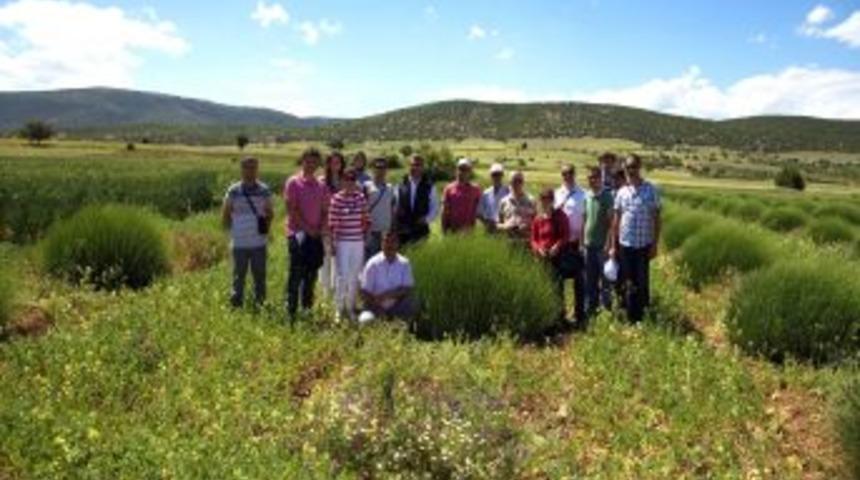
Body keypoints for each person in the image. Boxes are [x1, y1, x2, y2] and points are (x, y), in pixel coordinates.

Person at [608, 154, 662, 323]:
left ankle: (643, 315)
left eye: (634, 167)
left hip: (643, 244)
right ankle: (629, 315)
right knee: (626, 281)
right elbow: (616, 220)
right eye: (628, 167)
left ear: (639, 167)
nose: (631, 170)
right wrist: (613, 245)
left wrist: (654, 244)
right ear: (625, 169)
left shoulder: (650, 189)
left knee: (642, 282)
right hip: (625, 245)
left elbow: (657, 219)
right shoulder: (622, 192)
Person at [222, 157, 274, 308]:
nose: (250, 171)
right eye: (247, 167)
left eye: (253, 168)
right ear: (241, 169)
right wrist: (231, 232)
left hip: (259, 242)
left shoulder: (264, 190)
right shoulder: (233, 190)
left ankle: (261, 304)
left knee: (260, 277)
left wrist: (264, 228)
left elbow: (270, 213)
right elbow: (225, 213)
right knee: (238, 277)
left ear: (257, 169)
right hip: (239, 242)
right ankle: (236, 306)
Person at [284, 148, 327, 317]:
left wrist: (321, 228)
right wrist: (308, 229)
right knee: (296, 274)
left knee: (311, 275)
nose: (310, 165)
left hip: (315, 236)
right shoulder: (293, 182)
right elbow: (291, 209)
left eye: (314, 162)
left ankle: (307, 310)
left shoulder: (321, 185)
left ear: (318, 164)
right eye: (307, 161)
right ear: (302, 161)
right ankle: (291, 312)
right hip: (297, 235)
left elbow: (325, 211)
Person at [329, 168, 370, 321]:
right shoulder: (336, 199)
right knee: (342, 276)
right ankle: (339, 310)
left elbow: (366, 218)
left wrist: (364, 236)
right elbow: (332, 224)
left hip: (358, 242)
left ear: (355, 182)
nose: (349, 182)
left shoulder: (360, 197)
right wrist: (333, 243)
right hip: (342, 242)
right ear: (342, 181)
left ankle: (350, 307)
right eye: (346, 179)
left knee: (354, 276)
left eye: (352, 180)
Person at [531, 188, 571, 329]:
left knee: (557, 288)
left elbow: (565, 235)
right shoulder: (538, 218)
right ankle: (546, 318)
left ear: (552, 200)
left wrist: (557, 246)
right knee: (544, 287)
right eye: (543, 199)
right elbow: (534, 239)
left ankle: (560, 318)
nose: (545, 201)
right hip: (542, 259)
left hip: (556, 257)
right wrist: (538, 249)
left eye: (548, 198)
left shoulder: (559, 215)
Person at [359, 231, 419, 322]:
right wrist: (377, 306)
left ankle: (402, 329)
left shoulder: (404, 263)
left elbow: (407, 288)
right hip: (374, 307)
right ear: (381, 244)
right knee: (365, 320)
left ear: (398, 244)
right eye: (386, 241)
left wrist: (387, 295)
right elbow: (364, 291)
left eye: (393, 241)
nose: (389, 245)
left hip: (397, 306)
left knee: (412, 302)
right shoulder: (372, 263)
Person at [554, 164, 587, 327]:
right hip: (560, 244)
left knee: (580, 280)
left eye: (570, 173)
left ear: (575, 174)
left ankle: (579, 315)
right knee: (558, 280)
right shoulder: (556, 194)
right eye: (564, 173)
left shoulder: (583, 194)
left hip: (577, 244)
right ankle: (561, 315)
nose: (567, 176)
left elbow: (586, 219)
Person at [584, 166, 615, 317]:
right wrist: (582, 242)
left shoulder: (607, 197)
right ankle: (592, 309)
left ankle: (607, 310)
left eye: (595, 177)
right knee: (590, 280)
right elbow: (585, 219)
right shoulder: (587, 196)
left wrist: (608, 244)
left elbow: (611, 223)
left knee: (605, 282)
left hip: (602, 247)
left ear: (600, 179)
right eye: (590, 177)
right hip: (588, 246)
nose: (592, 180)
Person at [396, 155, 439, 246]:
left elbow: (434, 208)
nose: (415, 167)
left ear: (423, 167)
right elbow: (395, 205)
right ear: (409, 166)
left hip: (421, 231)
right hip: (402, 231)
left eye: (418, 165)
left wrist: (426, 219)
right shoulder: (400, 185)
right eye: (412, 165)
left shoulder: (430, 186)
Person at [320, 151, 345, 297]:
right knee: (325, 259)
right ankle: (325, 292)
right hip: (325, 226)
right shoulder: (322, 181)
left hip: (342, 226)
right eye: (332, 162)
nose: (336, 165)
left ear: (342, 164)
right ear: (328, 164)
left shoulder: (345, 181)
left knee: (338, 259)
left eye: (338, 162)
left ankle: (337, 290)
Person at [364, 157, 397, 260]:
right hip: (371, 232)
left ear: (386, 170)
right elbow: (362, 209)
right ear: (373, 169)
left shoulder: (390, 188)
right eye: (377, 167)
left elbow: (392, 209)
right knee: (370, 261)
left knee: (384, 261)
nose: (380, 170)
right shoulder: (366, 186)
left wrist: (392, 228)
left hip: (385, 233)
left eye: (383, 167)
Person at [441, 158, 482, 234]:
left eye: (465, 169)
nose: (462, 172)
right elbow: (444, 211)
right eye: (460, 169)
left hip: (470, 231)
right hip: (452, 230)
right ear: (456, 170)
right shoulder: (448, 188)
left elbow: (480, 210)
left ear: (469, 171)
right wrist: (444, 231)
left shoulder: (476, 189)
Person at [497, 170, 536, 243]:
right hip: (508, 242)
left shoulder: (532, 201)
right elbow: (497, 224)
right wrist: (505, 226)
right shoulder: (503, 202)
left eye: (520, 181)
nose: (517, 183)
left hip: (526, 242)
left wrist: (528, 225)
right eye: (514, 181)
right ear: (509, 183)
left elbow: (538, 224)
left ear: (523, 182)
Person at [478, 163, 510, 233]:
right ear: (491, 176)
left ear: (502, 175)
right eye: (494, 175)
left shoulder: (508, 191)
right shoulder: (486, 193)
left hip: (504, 228)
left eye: (499, 174)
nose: (497, 177)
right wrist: (486, 223)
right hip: (489, 228)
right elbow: (479, 212)